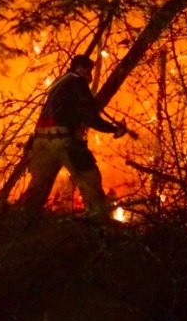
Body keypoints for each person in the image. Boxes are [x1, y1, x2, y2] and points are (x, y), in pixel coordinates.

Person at [19, 54, 127, 216]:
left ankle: (21, 224)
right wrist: (113, 129)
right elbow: (89, 116)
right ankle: (97, 225)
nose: (90, 75)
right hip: (64, 141)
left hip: (41, 141)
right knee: (90, 181)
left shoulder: (59, 83)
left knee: (38, 188)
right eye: (89, 70)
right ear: (81, 69)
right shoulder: (77, 82)